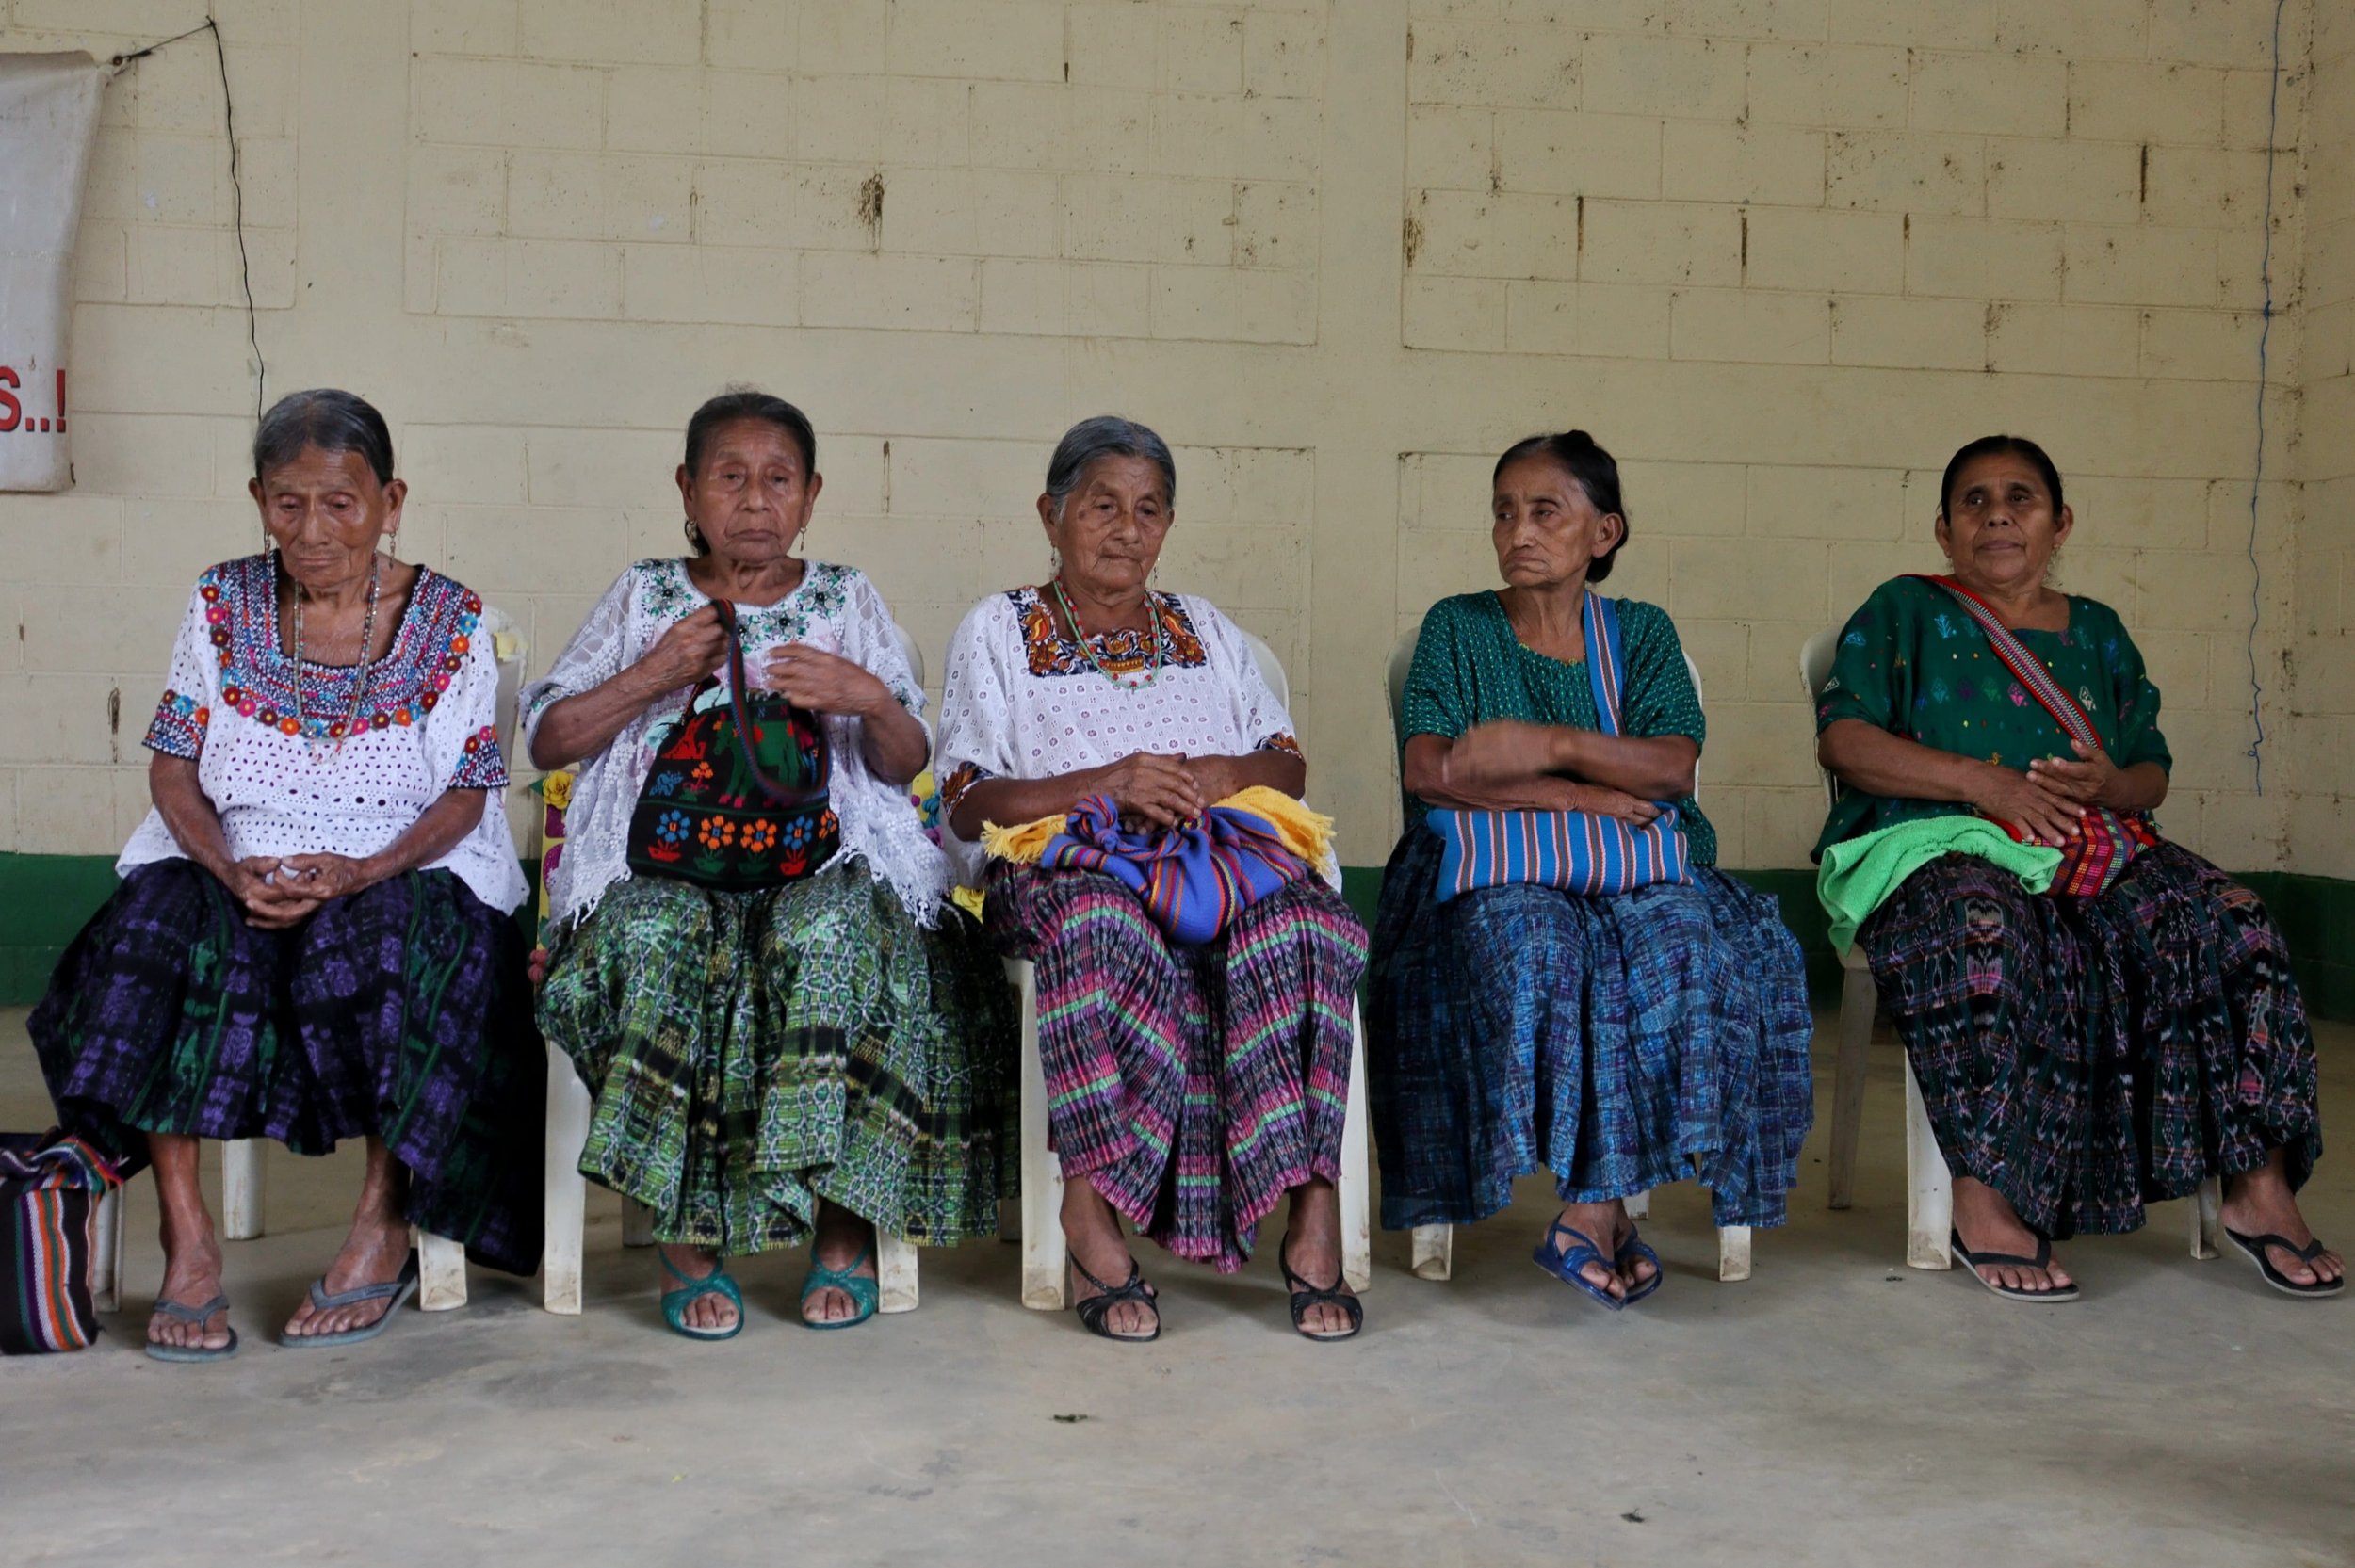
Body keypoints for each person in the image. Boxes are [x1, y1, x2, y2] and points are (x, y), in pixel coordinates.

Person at [32, 389, 543, 1359]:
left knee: (408, 944)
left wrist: (363, 871)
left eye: (340, 504)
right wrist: (227, 867)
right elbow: (174, 766)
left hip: (400, 858)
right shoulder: (219, 601)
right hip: (240, 853)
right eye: (288, 503)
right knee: (150, 932)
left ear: (390, 501)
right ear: (258, 500)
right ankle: (186, 1233)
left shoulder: (452, 617)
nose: (312, 532)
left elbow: (468, 793)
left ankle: (380, 1224)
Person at [526, 388, 1013, 1339]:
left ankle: (842, 1228)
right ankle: (687, 1240)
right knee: (656, 940)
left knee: (835, 937)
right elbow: (549, 738)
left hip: (821, 858)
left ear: (811, 494)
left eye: (779, 480)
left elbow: (903, 762)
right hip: (659, 861)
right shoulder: (645, 594)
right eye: (730, 478)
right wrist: (655, 673)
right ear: (687, 489)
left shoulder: (845, 597)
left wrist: (869, 697)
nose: (755, 500)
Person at [1816, 434, 2338, 1301]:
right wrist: (1983, 785)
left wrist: (2110, 786)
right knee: (1983, 930)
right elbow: (1845, 740)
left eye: (2019, 498)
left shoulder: (2098, 630)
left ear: (2060, 524)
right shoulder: (1902, 610)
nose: (1997, 516)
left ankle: (2259, 1187)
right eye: (1974, 501)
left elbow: (2148, 773)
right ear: (1944, 530)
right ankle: (1985, 1197)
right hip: (1946, 845)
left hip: (2092, 848)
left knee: (2235, 921)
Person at [936, 415, 1368, 1343]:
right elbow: (967, 801)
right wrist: (1110, 784)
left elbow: (1285, 765)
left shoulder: (1203, 628)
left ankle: (1312, 1204)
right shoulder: (999, 629)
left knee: (1309, 924)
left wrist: (1217, 775)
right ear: (1051, 515)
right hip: (1066, 869)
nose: (1127, 530)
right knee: (1102, 924)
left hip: (1206, 865)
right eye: (1102, 507)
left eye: (1149, 510)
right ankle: (1090, 1201)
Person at [1368, 430, 1814, 1310]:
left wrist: (1548, 745)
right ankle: (1600, 1213)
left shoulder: (1641, 634)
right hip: (1496, 869)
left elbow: (1671, 768)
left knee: (1681, 943)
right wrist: (1579, 795)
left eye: (1546, 512)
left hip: (1631, 869)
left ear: (1604, 532)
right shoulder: (1458, 627)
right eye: (1504, 512)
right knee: (1538, 943)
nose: (1519, 531)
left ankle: (1591, 1210)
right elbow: (1431, 771)